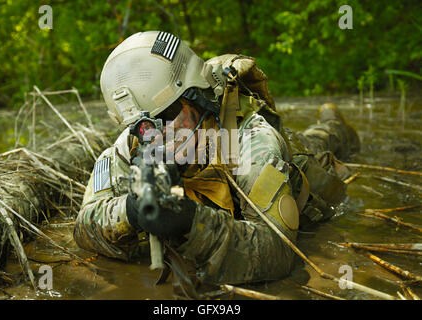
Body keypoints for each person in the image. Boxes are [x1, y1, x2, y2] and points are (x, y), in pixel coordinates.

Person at [73, 31, 360, 287]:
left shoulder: (253, 140)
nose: (160, 135)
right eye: (147, 126)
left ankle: (335, 124)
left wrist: (190, 222)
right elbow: (84, 225)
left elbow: (280, 253)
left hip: (297, 157)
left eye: (169, 115)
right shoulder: (132, 144)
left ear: (197, 97)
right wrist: (131, 212)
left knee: (321, 144)